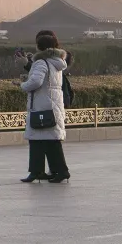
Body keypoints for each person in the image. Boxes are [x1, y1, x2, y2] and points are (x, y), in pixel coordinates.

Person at [21, 29, 72, 184]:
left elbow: (36, 82)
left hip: (41, 105)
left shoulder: (41, 62)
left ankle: (38, 171)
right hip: (53, 105)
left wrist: (23, 85)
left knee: (36, 140)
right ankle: (58, 171)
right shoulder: (56, 63)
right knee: (51, 141)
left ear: (39, 47)